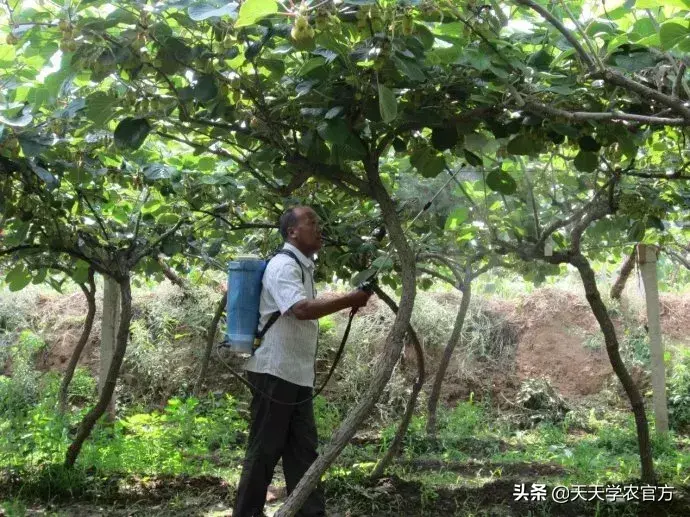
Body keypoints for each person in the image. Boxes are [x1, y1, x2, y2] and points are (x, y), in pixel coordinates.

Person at [233, 206, 372, 517]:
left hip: (295, 376)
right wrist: (350, 298)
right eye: (312, 222)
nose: (318, 228)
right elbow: (301, 310)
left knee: (304, 455)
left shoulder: (303, 267)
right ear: (292, 231)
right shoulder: (283, 266)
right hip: (273, 372)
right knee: (263, 452)